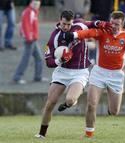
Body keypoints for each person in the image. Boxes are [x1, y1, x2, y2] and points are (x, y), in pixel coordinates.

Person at [35, 10, 112, 139]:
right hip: (62, 72)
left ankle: (71, 101)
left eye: (69, 24)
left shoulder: (79, 26)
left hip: (80, 72)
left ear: (72, 22)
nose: (66, 27)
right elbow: (48, 62)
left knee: (70, 100)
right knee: (50, 103)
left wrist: (102, 23)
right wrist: (60, 60)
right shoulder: (54, 37)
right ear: (60, 20)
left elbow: (92, 24)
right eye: (64, 24)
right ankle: (42, 134)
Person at [12, 0, 45, 84]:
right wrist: (29, 37)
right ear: (31, 3)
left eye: (38, 4)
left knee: (39, 58)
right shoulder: (29, 12)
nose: (37, 5)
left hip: (32, 39)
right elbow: (26, 26)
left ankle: (38, 76)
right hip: (30, 40)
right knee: (26, 59)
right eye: (35, 4)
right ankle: (17, 77)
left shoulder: (32, 12)